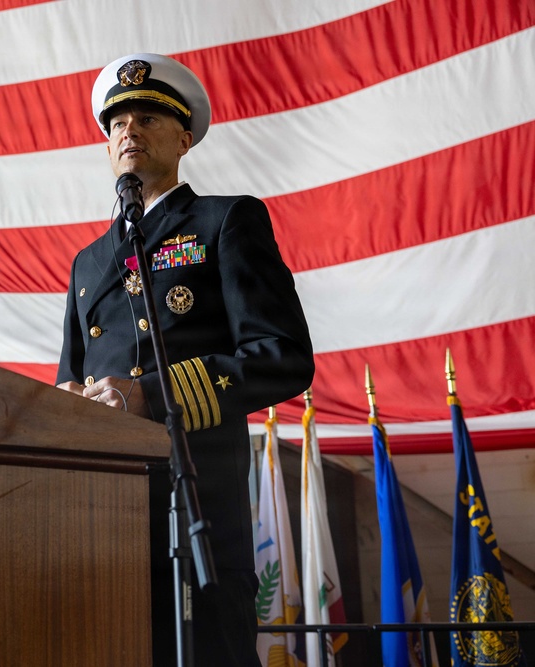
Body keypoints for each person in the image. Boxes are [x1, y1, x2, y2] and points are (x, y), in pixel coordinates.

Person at [56, 53, 315, 665]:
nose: (130, 132)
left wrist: (150, 395)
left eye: (148, 118)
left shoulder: (224, 221)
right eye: (118, 123)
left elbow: (283, 356)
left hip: (198, 503)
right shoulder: (87, 264)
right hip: (105, 517)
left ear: (184, 137)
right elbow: (68, 380)